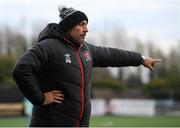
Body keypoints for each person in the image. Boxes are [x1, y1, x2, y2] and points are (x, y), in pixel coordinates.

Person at [12, 7, 161, 127]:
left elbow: (112, 55)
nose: (86, 29)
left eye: (86, 24)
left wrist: (141, 59)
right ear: (69, 27)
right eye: (81, 24)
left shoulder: (85, 49)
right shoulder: (48, 46)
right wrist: (40, 98)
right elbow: (21, 69)